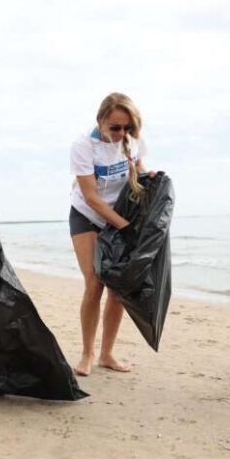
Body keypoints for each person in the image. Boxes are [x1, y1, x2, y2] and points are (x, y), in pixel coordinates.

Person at [69, 93, 155, 376]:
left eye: (126, 128)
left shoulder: (132, 140)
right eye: (115, 127)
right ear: (101, 120)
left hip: (119, 215)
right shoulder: (83, 146)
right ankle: (87, 353)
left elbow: (138, 171)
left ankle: (107, 353)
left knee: (118, 286)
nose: (120, 134)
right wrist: (124, 227)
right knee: (94, 283)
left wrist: (148, 174)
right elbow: (92, 198)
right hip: (87, 215)